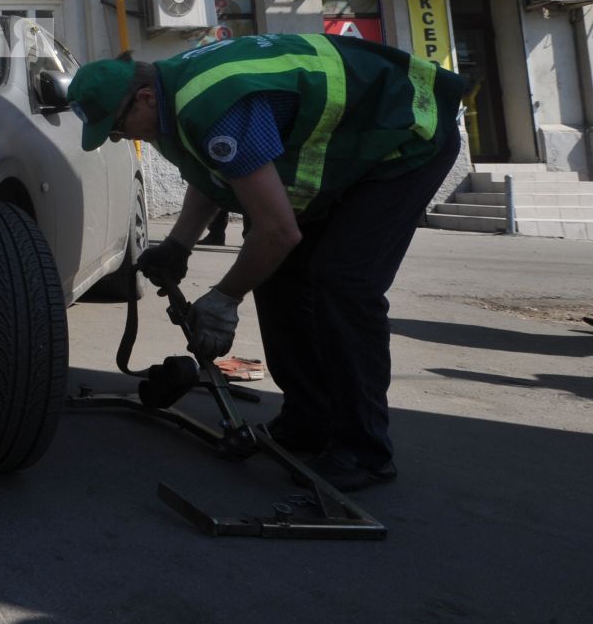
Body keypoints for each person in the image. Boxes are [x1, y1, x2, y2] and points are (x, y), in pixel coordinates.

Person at [67, 33, 466, 492]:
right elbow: (216, 172)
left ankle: (365, 450)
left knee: (344, 283)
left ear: (142, 97)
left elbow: (277, 231)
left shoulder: (211, 103)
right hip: (357, 141)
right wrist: (179, 244)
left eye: (119, 126)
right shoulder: (172, 95)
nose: (122, 136)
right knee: (280, 279)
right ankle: (309, 420)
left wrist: (223, 299)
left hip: (406, 138)